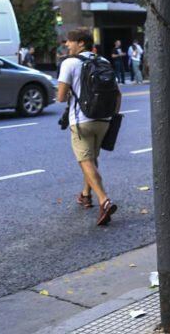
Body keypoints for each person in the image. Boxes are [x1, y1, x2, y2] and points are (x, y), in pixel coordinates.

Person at [56, 28, 122, 226]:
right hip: (104, 120)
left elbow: (60, 97)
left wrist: (67, 94)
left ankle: (104, 200)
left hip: (81, 120)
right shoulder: (103, 62)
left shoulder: (69, 63)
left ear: (81, 43)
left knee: (85, 161)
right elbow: (117, 95)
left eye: (69, 41)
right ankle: (85, 195)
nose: (67, 45)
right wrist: (113, 117)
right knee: (92, 160)